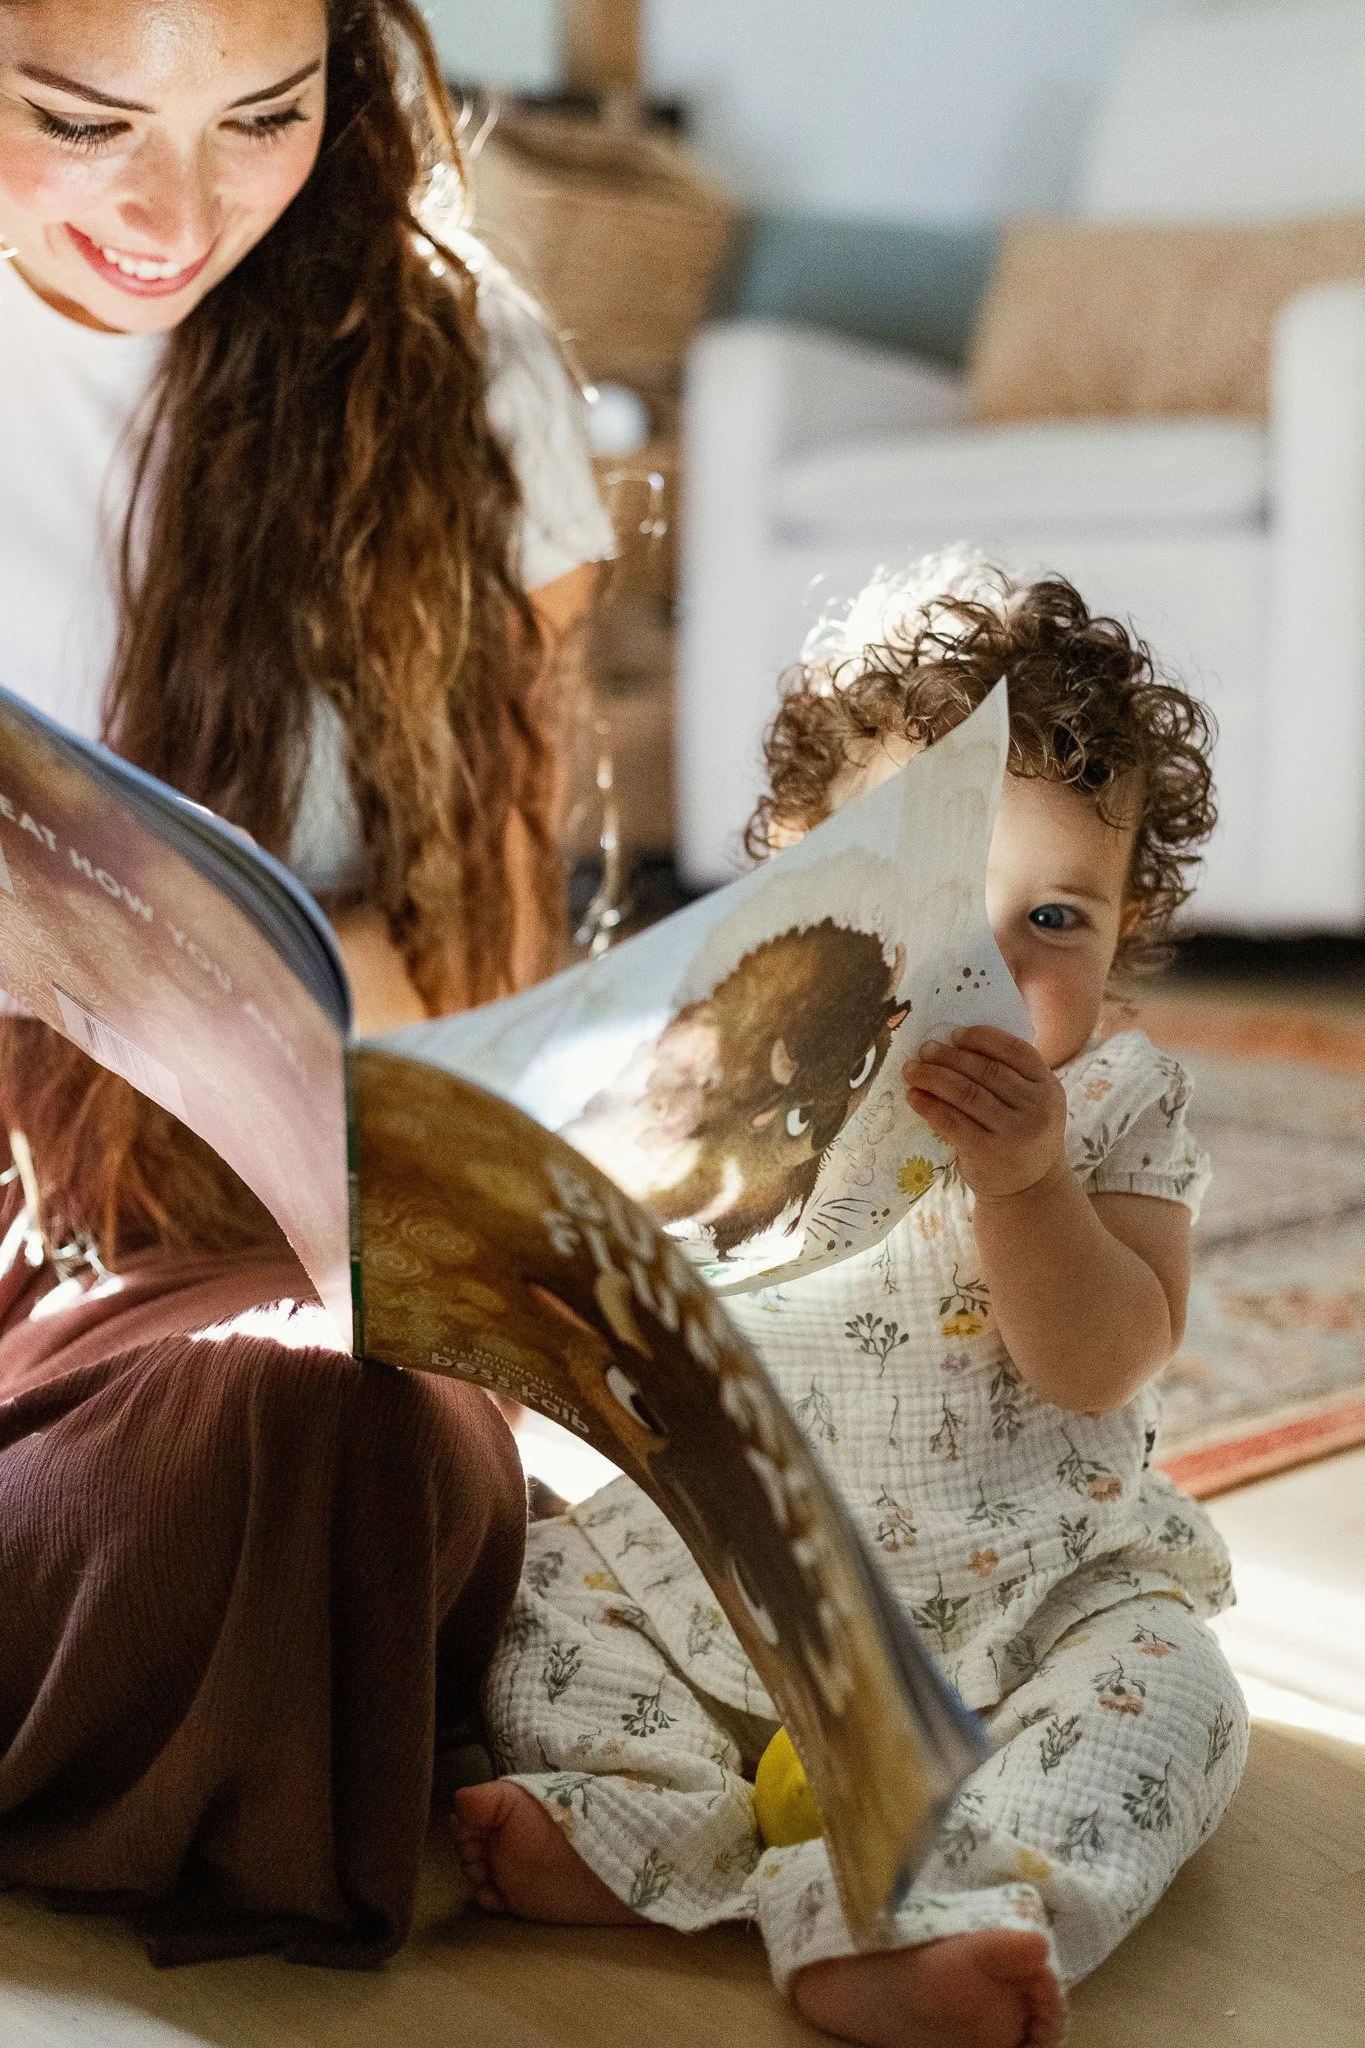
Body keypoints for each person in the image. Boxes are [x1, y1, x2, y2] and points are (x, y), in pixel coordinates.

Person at [0, 0, 613, 1963]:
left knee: (303, 1433)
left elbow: (488, 988)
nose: (181, 211)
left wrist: (238, 981)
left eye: (264, 114)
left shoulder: (452, 371)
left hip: (258, 1247)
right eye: (83, 119)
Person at [453, 556, 1250, 2048]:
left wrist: (1029, 1190)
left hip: (1026, 1614)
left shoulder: (1118, 1105)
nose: (997, 971)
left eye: (1057, 921)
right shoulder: (737, 1058)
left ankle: (935, 1917)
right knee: (545, 1590)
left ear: (1129, 915)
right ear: (802, 867)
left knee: (1177, 1696)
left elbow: (1104, 1361)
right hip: (733, 1592)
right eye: (933, 896)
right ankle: (652, 1823)